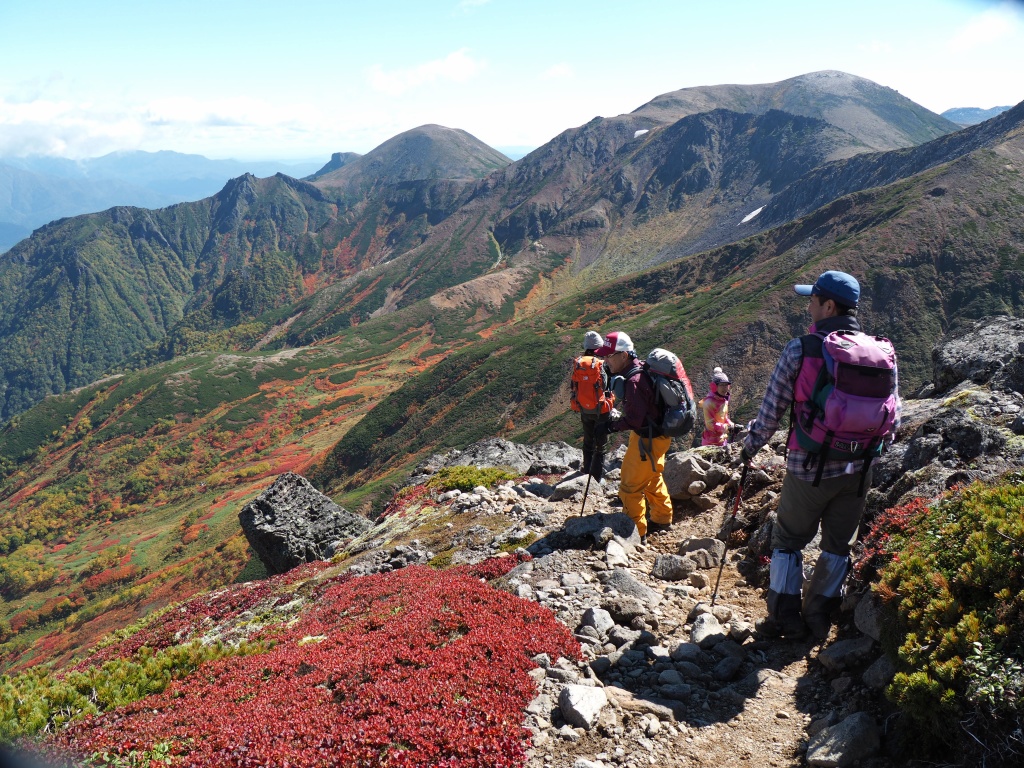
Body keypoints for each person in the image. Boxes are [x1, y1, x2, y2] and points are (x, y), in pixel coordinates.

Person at [741, 270, 901, 640]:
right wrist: (865, 454)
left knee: (789, 540)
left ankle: (785, 616)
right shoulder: (883, 352)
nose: (808, 306)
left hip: (808, 467)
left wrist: (750, 447)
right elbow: (892, 417)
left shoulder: (801, 348)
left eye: (812, 299)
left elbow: (771, 411)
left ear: (828, 306)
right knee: (837, 547)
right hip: (860, 469)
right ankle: (818, 618)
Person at [593, 332, 673, 543]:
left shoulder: (634, 381)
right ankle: (663, 519)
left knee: (629, 488)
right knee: (652, 478)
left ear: (624, 355)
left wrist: (610, 427)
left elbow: (635, 420)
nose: (606, 360)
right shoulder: (643, 369)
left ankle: (636, 533)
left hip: (646, 440)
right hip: (658, 437)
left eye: (610, 355)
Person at [573, 330, 613, 481]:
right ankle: (596, 478)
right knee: (600, 445)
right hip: (602, 410)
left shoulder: (579, 363)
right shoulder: (603, 364)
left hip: (584, 408)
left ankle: (586, 472)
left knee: (588, 441)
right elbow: (610, 386)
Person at [701, 367, 736, 446]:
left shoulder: (724, 400)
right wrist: (726, 427)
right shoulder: (709, 403)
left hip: (722, 439)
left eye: (726, 385)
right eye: (721, 385)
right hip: (710, 442)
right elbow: (710, 424)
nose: (725, 388)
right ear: (714, 387)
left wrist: (731, 425)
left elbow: (724, 417)